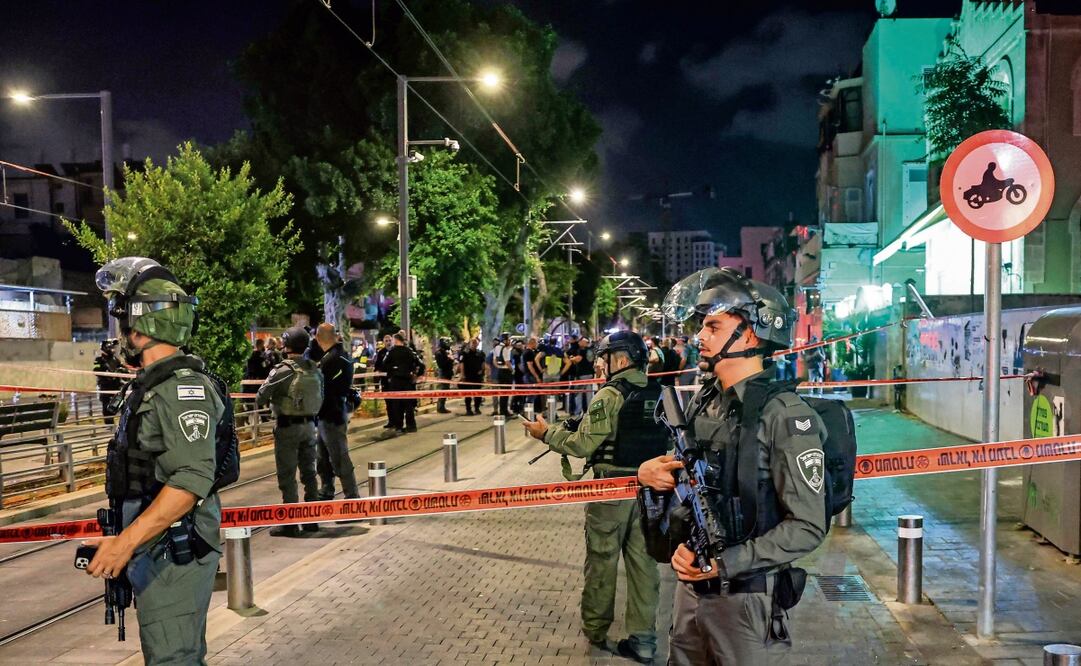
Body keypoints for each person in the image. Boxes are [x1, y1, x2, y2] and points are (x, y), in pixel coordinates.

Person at [637, 267, 829, 664]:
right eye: (701, 327)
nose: (700, 337)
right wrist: (650, 476)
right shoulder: (704, 401)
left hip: (746, 601)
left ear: (751, 335)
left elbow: (808, 526)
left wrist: (724, 563)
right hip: (690, 591)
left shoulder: (784, 415)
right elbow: (693, 483)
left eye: (713, 326)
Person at [85, 256, 223, 664]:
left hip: (173, 551)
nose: (120, 332)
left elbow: (191, 479)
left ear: (141, 324)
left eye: (123, 319)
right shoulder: (153, 384)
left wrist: (124, 544)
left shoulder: (181, 390)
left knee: (172, 659)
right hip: (157, 545)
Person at [522, 330, 664, 663]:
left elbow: (583, 445)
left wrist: (546, 433)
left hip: (610, 493)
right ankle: (644, 641)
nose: (601, 365)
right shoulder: (661, 392)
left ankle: (596, 631)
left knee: (602, 562)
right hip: (650, 494)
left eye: (606, 358)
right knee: (645, 568)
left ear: (622, 360)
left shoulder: (609, 395)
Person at [258, 326, 324, 536]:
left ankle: (291, 523)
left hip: (287, 427)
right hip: (310, 426)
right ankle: (312, 519)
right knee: (309, 473)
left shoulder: (283, 370)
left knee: (287, 476)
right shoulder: (314, 368)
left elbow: (261, 396)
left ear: (286, 345)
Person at [310, 323, 359, 501]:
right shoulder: (340, 355)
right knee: (323, 456)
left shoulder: (331, 359)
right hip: (332, 413)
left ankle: (352, 495)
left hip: (332, 414)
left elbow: (322, 388)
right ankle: (327, 489)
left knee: (339, 456)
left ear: (318, 338)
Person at [384, 333, 424, 433]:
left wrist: (391, 372)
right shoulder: (409, 351)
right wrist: (416, 375)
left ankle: (399, 426)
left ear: (396, 340)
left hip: (396, 382)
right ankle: (411, 426)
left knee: (397, 405)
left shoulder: (391, 352)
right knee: (409, 405)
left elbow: (384, 364)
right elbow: (421, 364)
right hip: (408, 381)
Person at [93, 338, 125, 424]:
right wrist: (106, 372)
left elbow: (122, 369)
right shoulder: (99, 360)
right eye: (110, 348)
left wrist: (121, 371)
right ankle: (109, 426)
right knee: (107, 410)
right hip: (105, 388)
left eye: (112, 348)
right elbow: (96, 371)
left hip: (117, 388)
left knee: (121, 406)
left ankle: (123, 424)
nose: (112, 350)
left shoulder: (115, 360)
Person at [457, 338, 487, 416]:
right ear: (470, 344)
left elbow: (483, 363)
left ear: (477, 344)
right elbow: (461, 364)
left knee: (478, 393)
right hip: (468, 376)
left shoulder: (481, 353)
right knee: (468, 394)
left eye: (475, 343)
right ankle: (468, 409)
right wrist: (462, 375)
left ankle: (477, 408)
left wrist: (482, 372)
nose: (474, 344)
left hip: (477, 376)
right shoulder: (465, 353)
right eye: (472, 343)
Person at [491, 332, 514, 417]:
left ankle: (502, 410)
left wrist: (499, 367)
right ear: (505, 340)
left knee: (502, 392)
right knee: (506, 392)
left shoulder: (496, 348)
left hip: (500, 372)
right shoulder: (505, 349)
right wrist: (512, 370)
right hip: (506, 372)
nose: (510, 341)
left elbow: (494, 360)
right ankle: (504, 411)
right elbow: (507, 362)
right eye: (509, 340)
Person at [373, 334, 393, 428]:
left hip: (394, 381)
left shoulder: (394, 351)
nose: (388, 342)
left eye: (390, 340)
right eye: (386, 341)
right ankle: (391, 421)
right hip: (385, 381)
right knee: (388, 402)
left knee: (396, 402)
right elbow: (377, 366)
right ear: (384, 342)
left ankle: (397, 421)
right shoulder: (381, 352)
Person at [434, 337, 456, 414]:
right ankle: (440, 407)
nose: (448, 345)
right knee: (443, 390)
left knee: (445, 390)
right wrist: (450, 359)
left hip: (447, 373)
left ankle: (442, 407)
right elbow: (442, 364)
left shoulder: (445, 352)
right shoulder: (439, 353)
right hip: (443, 374)